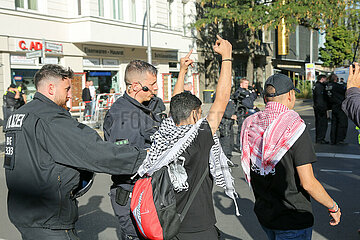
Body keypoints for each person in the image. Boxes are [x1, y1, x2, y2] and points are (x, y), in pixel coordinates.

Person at [3, 64, 146, 240]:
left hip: (24, 213)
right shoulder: (50, 118)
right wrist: (145, 157)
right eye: (67, 89)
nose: (71, 95)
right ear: (50, 88)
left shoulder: (19, 115)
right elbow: (95, 152)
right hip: (49, 218)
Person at [136, 36, 239, 240]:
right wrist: (227, 58)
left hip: (166, 224)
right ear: (195, 114)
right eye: (200, 113)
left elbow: (176, 103)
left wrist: (182, 71)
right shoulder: (198, 138)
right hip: (198, 227)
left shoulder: (164, 134)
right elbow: (222, 98)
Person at [240, 73, 341, 240]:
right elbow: (308, 183)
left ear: (266, 98)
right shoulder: (294, 127)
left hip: (265, 213)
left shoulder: (250, 124)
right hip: (293, 217)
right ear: (290, 95)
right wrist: (333, 207)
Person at [102, 60, 161, 239]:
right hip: (132, 193)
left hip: (142, 192)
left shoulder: (141, 107)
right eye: (151, 85)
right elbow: (123, 160)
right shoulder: (124, 116)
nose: (156, 88)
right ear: (136, 86)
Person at [233, 77, 257, 149]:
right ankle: (239, 145)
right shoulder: (239, 92)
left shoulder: (248, 91)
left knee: (250, 129)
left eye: (247, 83)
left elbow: (253, 98)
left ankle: (248, 143)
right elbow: (243, 102)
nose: (247, 85)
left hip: (249, 110)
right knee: (241, 128)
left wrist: (252, 90)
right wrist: (251, 106)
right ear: (241, 84)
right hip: (242, 111)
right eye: (245, 83)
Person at [325, 73, 348, 144]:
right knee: (342, 123)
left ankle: (333, 139)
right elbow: (345, 91)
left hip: (333, 106)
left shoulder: (327, 86)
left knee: (334, 123)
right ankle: (340, 139)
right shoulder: (338, 86)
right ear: (335, 79)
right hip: (340, 106)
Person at [313, 74, 329, 144]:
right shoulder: (320, 87)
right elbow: (320, 99)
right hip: (320, 108)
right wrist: (323, 108)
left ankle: (319, 138)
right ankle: (320, 139)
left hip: (317, 107)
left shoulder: (316, 86)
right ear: (322, 79)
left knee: (318, 124)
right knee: (322, 124)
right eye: (325, 79)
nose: (326, 80)